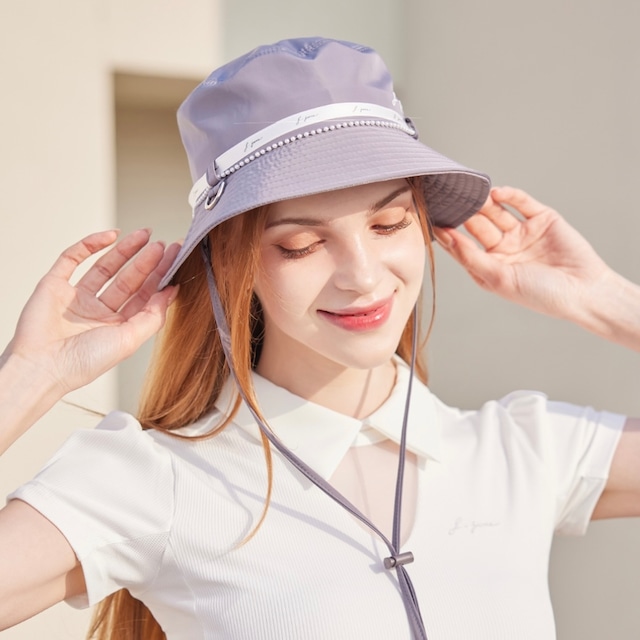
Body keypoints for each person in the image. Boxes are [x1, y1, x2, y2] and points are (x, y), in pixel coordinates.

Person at [0, 36, 639, 640]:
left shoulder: (520, 451)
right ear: (233, 264)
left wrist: (608, 301)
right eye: (301, 244)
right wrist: (28, 377)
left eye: (389, 224)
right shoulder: (156, 482)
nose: (362, 277)